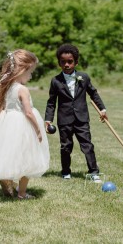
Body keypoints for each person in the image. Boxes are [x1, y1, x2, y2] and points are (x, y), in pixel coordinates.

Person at [0, 49, 49, 199]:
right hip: (23, 125)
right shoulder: (22, 89)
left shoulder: (8, 87)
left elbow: (3, 108)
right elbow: (28, 113)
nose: (31, 76)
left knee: (12, 154)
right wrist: (38, 129)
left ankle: (8, 180)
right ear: (22, 70)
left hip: (10, 123)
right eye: (30, 72)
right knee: (28, 158)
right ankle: (22, 193)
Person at [44, 43, 107, 183]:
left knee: (87, 145)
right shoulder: (55, 81)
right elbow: (51, 102)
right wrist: (48, 119)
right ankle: (66, 172)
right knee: (66, 147)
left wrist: (102, 109)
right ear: (59, 63)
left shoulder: (83, 77)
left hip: (82, 118)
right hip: (64, 119)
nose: (66, 64)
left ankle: (94, 172)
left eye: (70, 61)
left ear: (76, 62)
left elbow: (93, 93)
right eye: (63, 62)